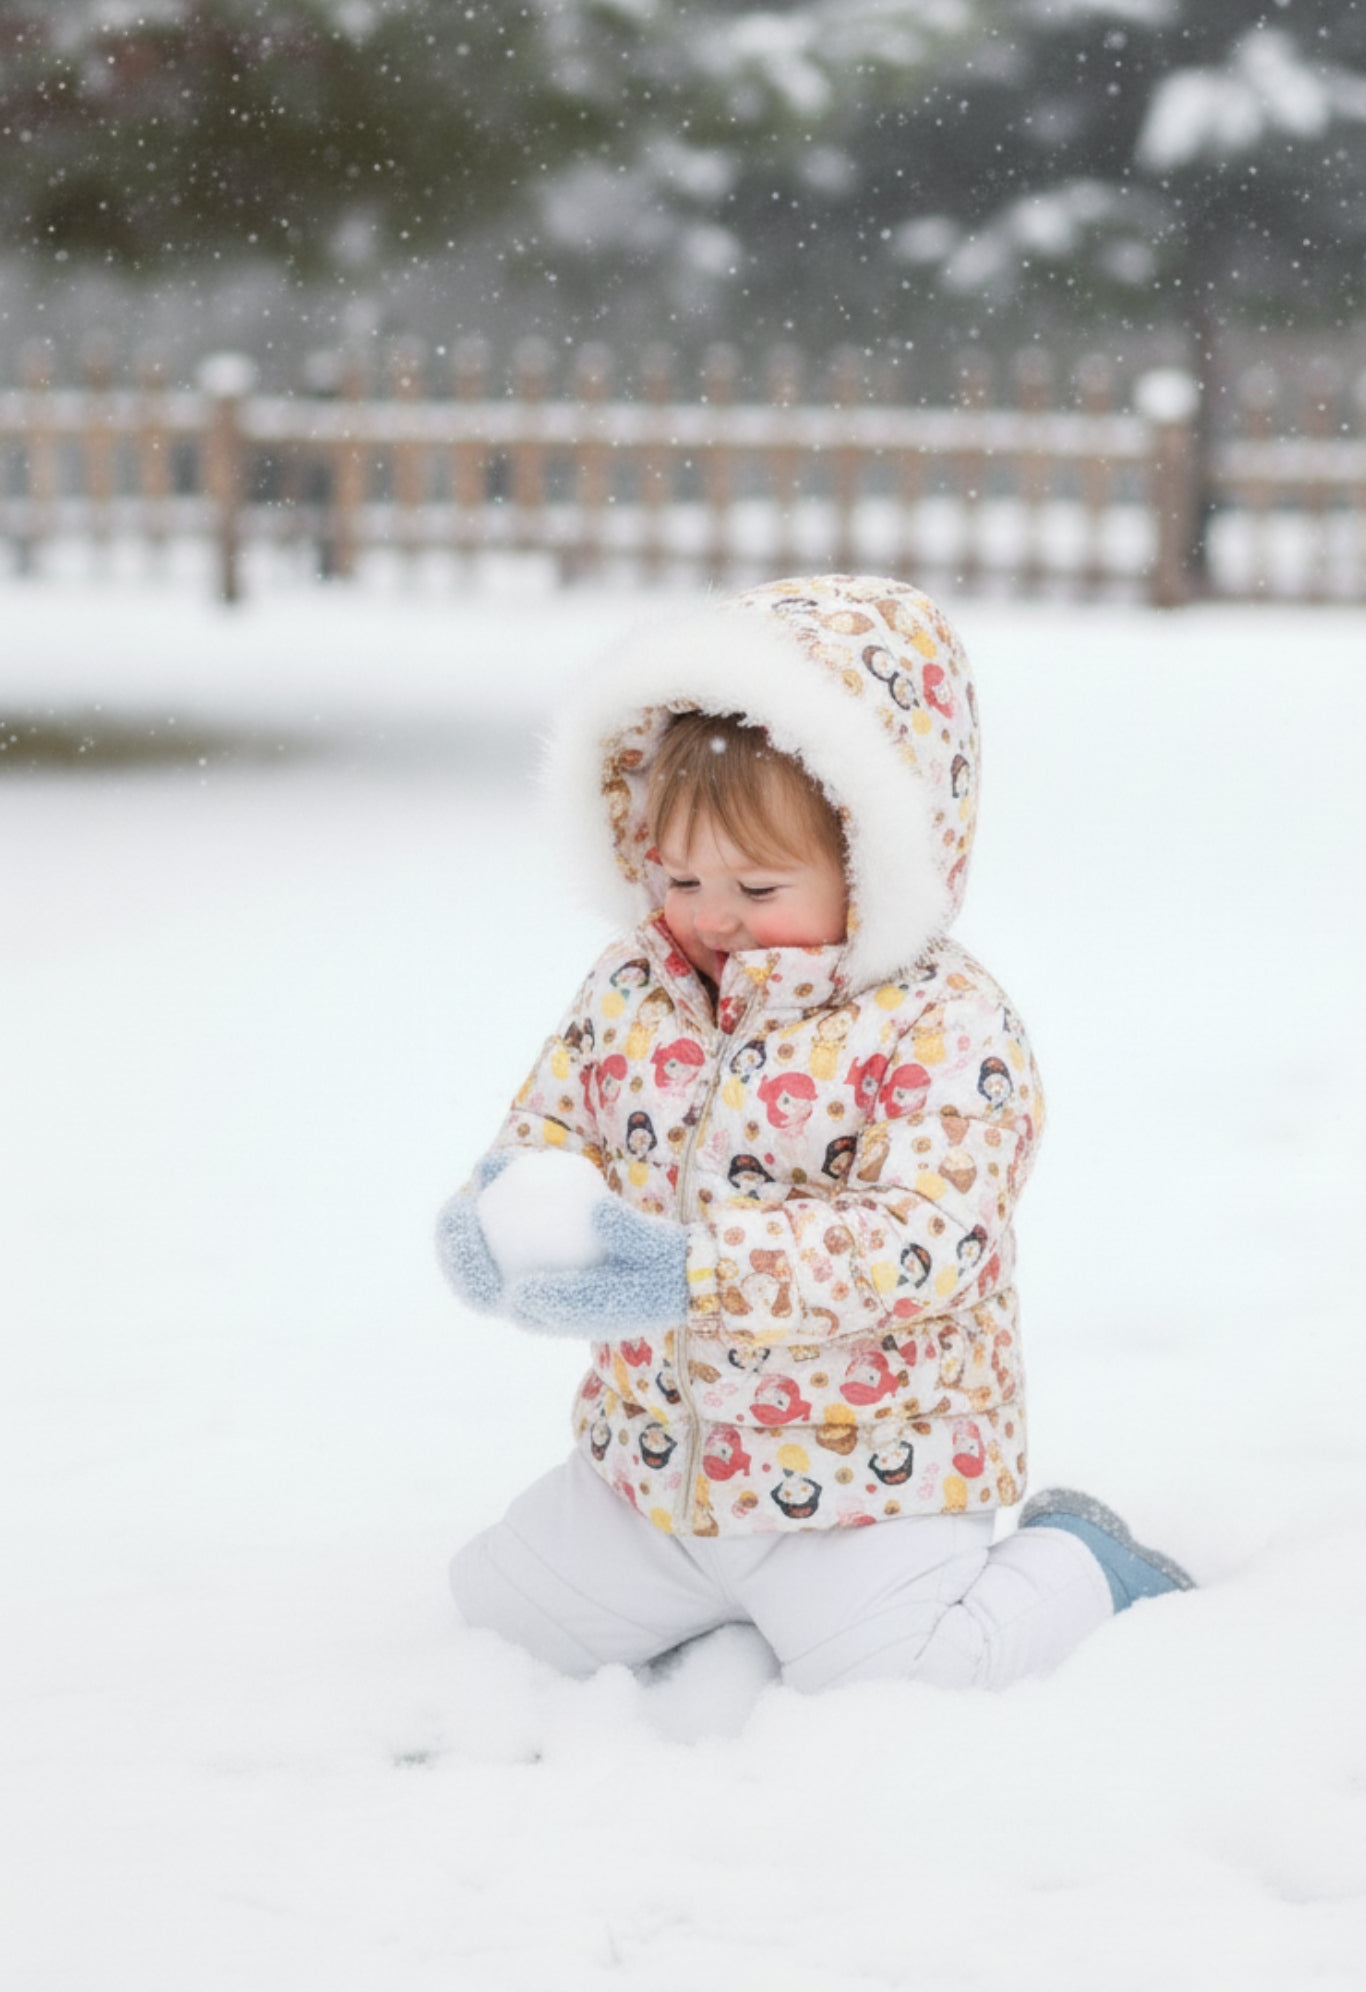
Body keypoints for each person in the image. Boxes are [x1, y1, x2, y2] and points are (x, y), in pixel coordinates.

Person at [436, 574, 1192, 1691]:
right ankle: (709, 1601)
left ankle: (1085, 1556)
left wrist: (698, 1269)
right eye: (681, 873)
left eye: (758, 881)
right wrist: (500, 1209)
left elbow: (931, 1235)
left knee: (914, 1669)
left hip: (862, 1475)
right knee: (495, 1620)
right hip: (654, 1464)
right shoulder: (637, 983)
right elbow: (558, 1118)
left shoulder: (944, 1026)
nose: (713, 913)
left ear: (873, 858)